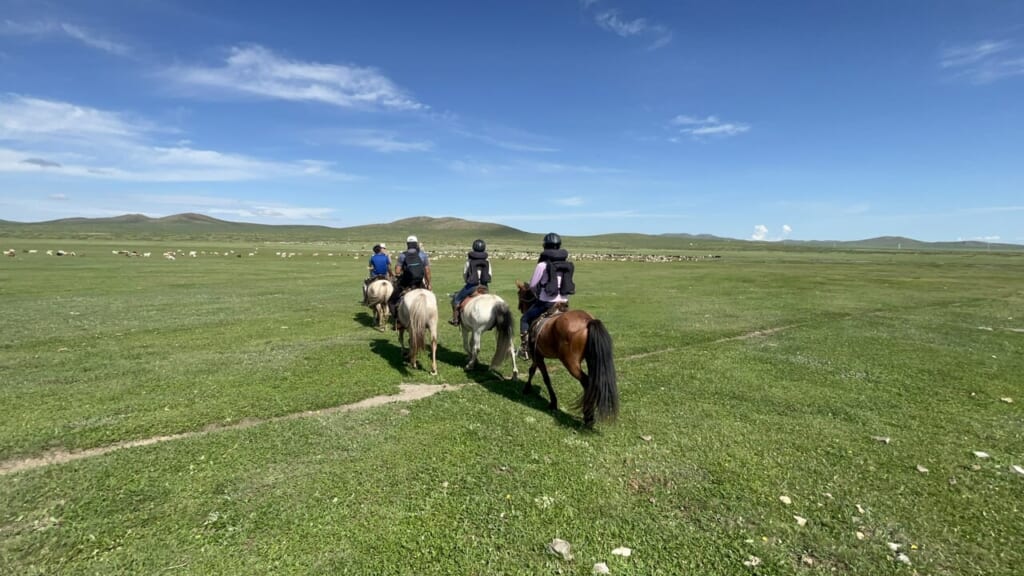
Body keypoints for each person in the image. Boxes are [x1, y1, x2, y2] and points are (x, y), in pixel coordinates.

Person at [518, 232, 575, 359]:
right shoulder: (567, 264)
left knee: (525, 319)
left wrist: (537, 293)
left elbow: (532, 285)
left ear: (545, 246)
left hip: (546, 302)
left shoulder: (542, 265)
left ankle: (525, 348)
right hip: (564, 302)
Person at [387, 235, 432, 325]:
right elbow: (427, 271)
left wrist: (400, 273)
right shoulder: (423, 255)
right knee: (430, 299)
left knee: (392, 300)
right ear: (416, 244)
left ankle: (398, 321)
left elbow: (397, 271)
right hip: (419, 282)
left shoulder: (403, 255)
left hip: (406, 283)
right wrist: (429, 283)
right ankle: (430, 319)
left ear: (407, 244)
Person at [449, 238, 492, 326]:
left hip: (472, 286)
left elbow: (465, 274)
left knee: (456, 299)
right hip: (484, 286)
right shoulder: (487, 261)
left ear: (473, 247)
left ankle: (456, 319)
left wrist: (468, 281)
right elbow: (490, 274)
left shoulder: (469, 261)